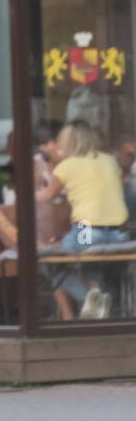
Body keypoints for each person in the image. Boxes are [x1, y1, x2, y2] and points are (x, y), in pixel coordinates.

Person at [35, 120, 131, 320]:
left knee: (48, 259)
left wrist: (25, 193)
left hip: (88, 230)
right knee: (89, 260)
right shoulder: (110, 161)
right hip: (120, 234)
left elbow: (46, 196)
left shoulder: (67, 166)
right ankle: (95, 296)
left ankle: (89, 298)